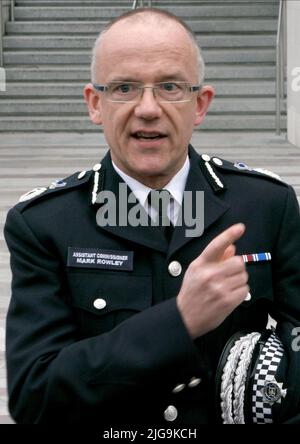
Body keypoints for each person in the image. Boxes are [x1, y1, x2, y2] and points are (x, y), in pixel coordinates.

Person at [4, 8, 300, 425]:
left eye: (170, 86)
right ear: (95, 104)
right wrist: (179, 322)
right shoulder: (44, 224)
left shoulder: (267, 206)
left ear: (200, 104)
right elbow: (35, 396)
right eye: (124, 87)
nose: (148, 108)